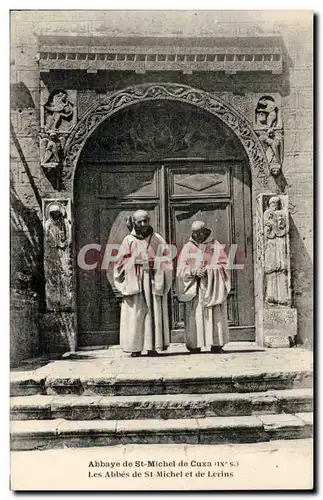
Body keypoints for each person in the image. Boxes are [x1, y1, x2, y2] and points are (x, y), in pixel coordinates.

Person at [113, 210, 172, 357]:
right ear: (135, 222)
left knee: (153, 313)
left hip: (152, 281)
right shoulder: (128, 240)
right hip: (136, 282)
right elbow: (119, 264)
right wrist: (135, 262)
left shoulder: (157, 239)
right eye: (140, 222)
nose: (143, 224)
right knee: (136, 314)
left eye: (145, 221)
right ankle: (135, 348)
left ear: (149, 220)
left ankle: (152, 347)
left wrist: (156, 262)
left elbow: (167, 259)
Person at [176, 221, 231, 354]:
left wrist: (210, 270)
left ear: (204, 231)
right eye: (195, 233)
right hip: (196, 289)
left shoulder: (215, 245)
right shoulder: (188, 247)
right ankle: (195, 345)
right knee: (196, 315)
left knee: (215, 315)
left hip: (212, 288)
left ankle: (216, 344)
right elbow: (180, 269)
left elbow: (224, 265)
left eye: (200, 232)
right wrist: (194, 271)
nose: (198, 236)